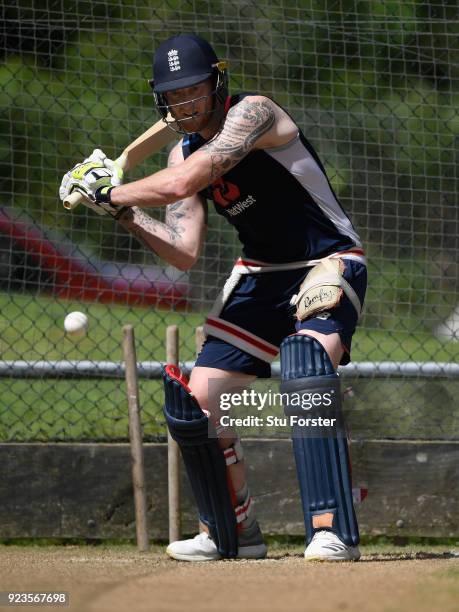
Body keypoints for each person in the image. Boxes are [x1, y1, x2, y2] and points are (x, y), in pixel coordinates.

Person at [60, 33, 367, 562]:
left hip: (328, 260)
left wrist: (108, 189)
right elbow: (182, 252)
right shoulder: (182, 148)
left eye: (195, 90)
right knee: (198, 398)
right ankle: (233, 531)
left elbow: (187, 181)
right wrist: (121, 212)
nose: (186, 104)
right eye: (175, 96)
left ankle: (330, 527)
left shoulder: (255, 113)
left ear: (217, 83)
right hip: (261, 274)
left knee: (307, 365)